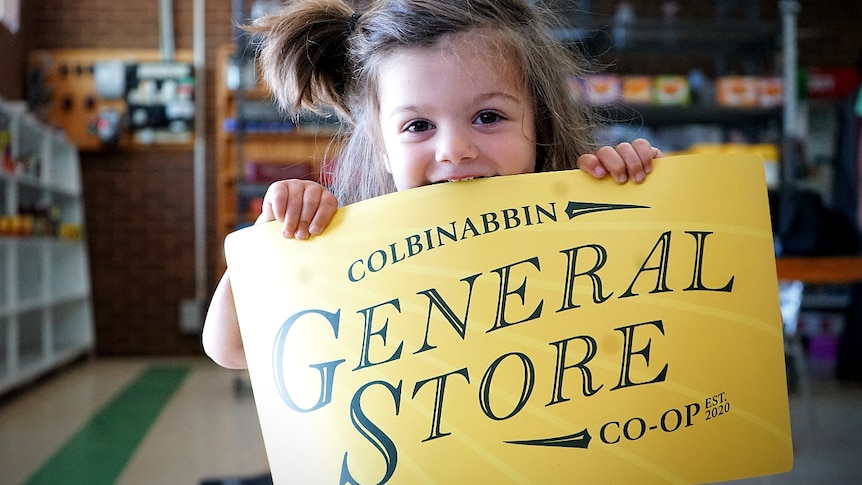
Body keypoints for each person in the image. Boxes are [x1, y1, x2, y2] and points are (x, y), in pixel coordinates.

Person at [203, 0, 662, 369]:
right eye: (418, 125)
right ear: (381, 145)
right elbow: (233, 348)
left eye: (488, 117)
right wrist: (272, 247)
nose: (454, 150)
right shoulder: (352, 251)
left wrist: (640, 194)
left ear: (539, 122)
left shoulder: (586, 217)